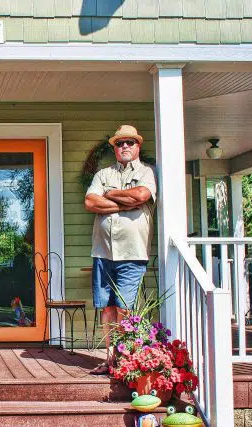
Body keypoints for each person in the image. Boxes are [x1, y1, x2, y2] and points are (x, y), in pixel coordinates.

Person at [84, 125, 157, 375]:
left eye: (129, 142)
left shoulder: (147, 172)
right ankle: (110, 359)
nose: (124, 146)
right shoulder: (103, 172)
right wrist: (126, 204)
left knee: (124, 308)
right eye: (119, 143)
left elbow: (141, 194)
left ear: (138, 146)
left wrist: (111, 193)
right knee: (107, 308)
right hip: (103, 252)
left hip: (132, 252)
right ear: (114, 148)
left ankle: (124, 359)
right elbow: (90, 201)